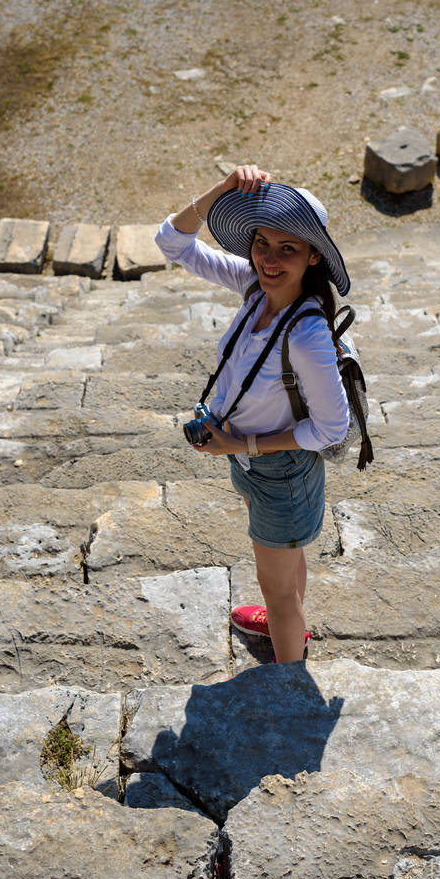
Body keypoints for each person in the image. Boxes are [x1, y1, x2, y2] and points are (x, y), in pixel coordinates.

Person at [155, 163, 351, 663]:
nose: (269, 258)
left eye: (288, 248)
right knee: (287, 566)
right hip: (249, 461)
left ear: (313, 257)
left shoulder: (307, 334)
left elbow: (333, 428)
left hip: (276, 468)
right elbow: (171, 243)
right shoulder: (252, 283)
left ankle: (288, 689)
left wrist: (244, 445)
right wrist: (222, 189)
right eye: (262, 242)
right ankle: (292, 620)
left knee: (277, 595)